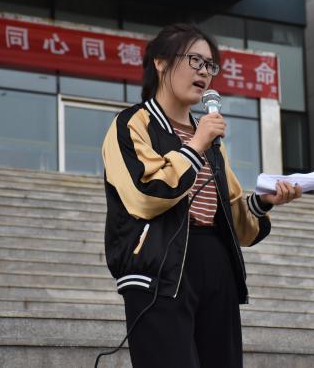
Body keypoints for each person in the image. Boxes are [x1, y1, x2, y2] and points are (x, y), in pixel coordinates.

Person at [101, 23, 302, 368]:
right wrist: (195, 146)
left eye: (210, 65)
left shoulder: (209, 139)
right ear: (160, 62)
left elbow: (235, 218)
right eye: (194, 60)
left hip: (215, 264)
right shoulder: (133, 124)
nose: (204, 72)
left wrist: (264, 201)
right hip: (159, 269)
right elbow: (145, 195)